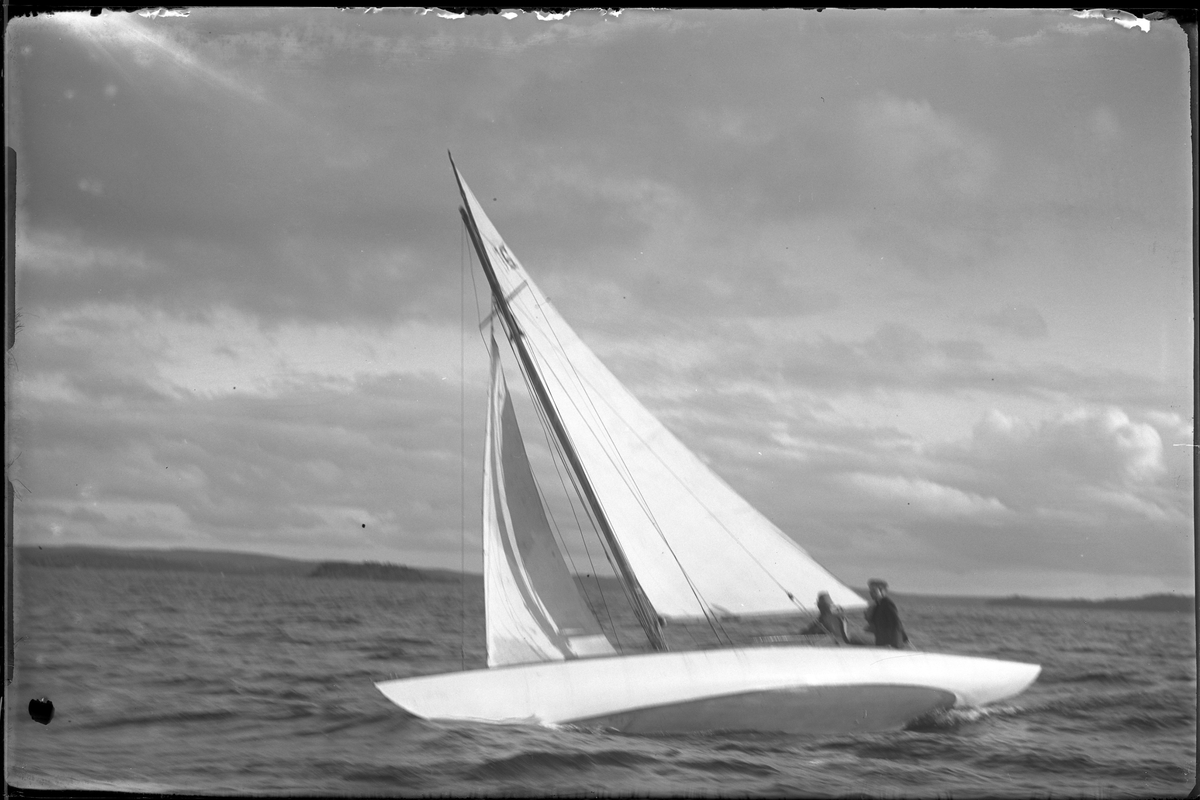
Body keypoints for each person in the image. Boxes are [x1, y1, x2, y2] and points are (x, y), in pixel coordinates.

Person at [863, 578, 909, 649]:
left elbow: (896, 623)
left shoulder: (887, 604)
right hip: (881, 641)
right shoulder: (877, 605)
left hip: (890, 643)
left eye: (874, 591)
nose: (871, 593)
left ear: (882, 591)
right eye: (870, 590)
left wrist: (895, 642)